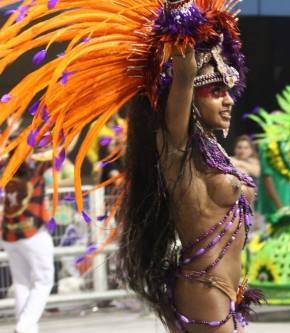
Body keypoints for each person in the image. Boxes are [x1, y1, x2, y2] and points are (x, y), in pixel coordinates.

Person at [0, 0, 261, 332]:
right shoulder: (177, 151)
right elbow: (184, 75)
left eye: (229, 90)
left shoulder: (213, 154)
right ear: (190, 100)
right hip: (204, 287)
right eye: (215, 90)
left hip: (229, 290)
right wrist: (183, 32)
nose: (228, 99)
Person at [1, 156, 54, 333]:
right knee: (44, 280)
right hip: (32, 233)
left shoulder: (6, 173)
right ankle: (25, 325)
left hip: (10, 235)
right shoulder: (34, 171)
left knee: (21, 282)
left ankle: (26, 327)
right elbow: (57, 155)